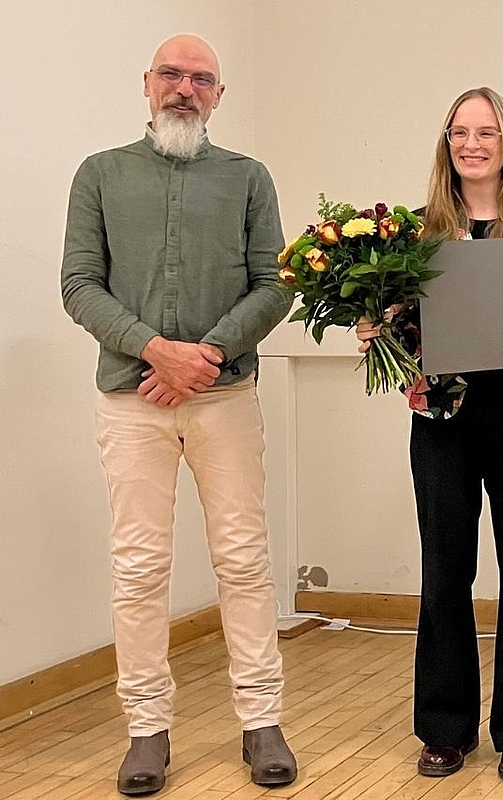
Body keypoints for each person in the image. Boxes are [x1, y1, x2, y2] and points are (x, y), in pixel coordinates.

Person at [60, 35, 296, 796]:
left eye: (201, 79)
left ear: (219, 96)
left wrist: (207, 356)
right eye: (172, 74)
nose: (184, 88)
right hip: (131, 405)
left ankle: (261, 722)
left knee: (244, 560)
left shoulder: (249, 179)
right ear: (146, 84)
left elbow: (274, 283)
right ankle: (146, 730)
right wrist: (155, 350)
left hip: (224, 399)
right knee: (139, 568)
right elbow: (79, 285)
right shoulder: (99, 175)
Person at [357, 87, 503, 781]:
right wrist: (377, 334)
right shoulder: (415, 234)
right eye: (459, 132)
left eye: (485, 132)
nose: (471, 144)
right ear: (446, 144)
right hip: (443, 425)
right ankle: (444, 728)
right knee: (444, 575)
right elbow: (401, 333)